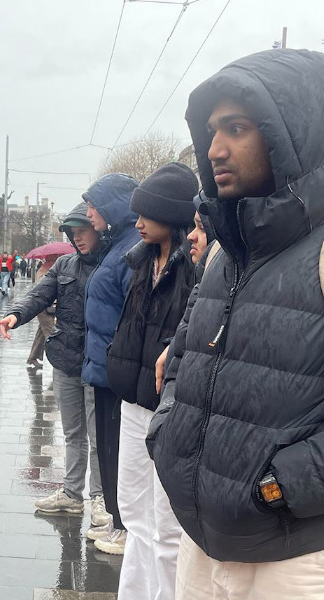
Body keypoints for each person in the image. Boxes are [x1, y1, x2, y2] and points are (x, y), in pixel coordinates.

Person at [148, 49, 324, 599]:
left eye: (237, 128)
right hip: (202, 542)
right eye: (211, 131)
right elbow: (183, 355)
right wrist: (167, 432)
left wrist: (279, 487)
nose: (214, 149)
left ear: (293, 135)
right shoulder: (227, 250)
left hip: (292, 556)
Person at [104, 163, 197, 598]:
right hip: (133, 401)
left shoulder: (193, 266)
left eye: (148, 213)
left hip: (169, 409)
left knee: (166, 524)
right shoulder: (142, 261)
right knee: (132, 511)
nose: (138, 222)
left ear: (172, 215)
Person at [0, 202, 108, 527]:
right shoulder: (64, 265)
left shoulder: (113, 264)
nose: (77, 237)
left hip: (99, 363)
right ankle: (72, 494)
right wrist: (15, 315)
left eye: (83, 230)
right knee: (72, 433)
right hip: (65, 359)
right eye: (73, 233)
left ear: (99, 230)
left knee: (99, 436)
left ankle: (100, 497)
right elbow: (38, 295)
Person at [81, 172, 140, 553]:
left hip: (116, 369)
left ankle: (124, 525)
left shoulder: (131, 247)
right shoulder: (118, 244)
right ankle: (117, 519)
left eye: (93, 206)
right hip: (104, 367)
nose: (88, 214)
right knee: (107, 449)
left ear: (112, 206)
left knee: (118, 450)